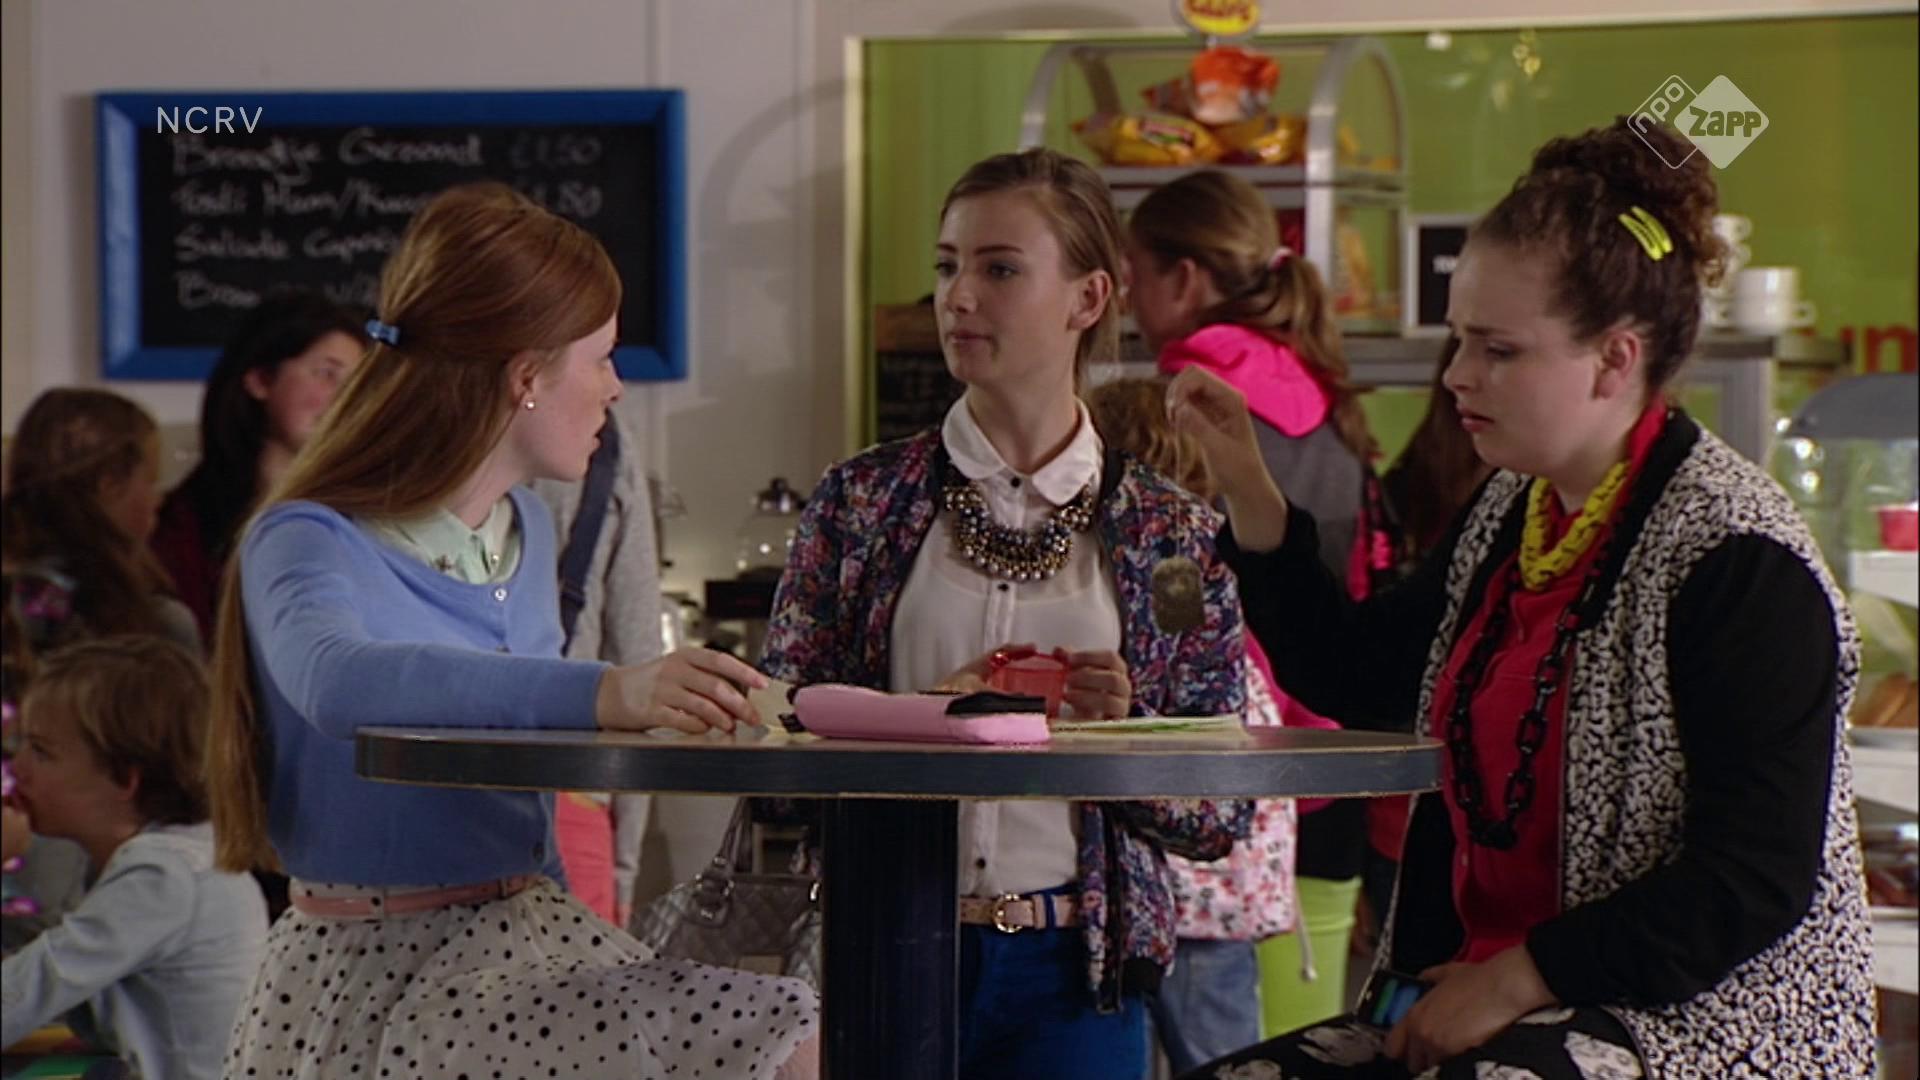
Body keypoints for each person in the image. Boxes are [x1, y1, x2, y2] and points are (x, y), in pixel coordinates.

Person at [1171, 117, 1876, 1078]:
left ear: (1615, 359)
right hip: (1490, 995)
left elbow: (1750, 879)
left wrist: (1521, 976)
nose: (1457, 375)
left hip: (1701, 1025)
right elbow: (1361, 675)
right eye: (1461, 339)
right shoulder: (1516, 507)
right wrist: (1247, 485)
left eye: (1499, 350)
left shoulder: (1736, 558)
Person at [207, 182, 818, 1079]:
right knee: (784, 1031)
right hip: (381, 966)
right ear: (526, 377)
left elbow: (516, 809)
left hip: (523, 941)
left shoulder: (527, 530)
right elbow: (338, 681)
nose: (616, 386)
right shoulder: (305, 536)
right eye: (602, 358)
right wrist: (608, 690)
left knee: (797, 1028)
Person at [761, 148, 1250, 1080]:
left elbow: (1218, 811)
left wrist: (1120, 738)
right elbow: (774, 755)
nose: (958, 297)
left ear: (1089, 297)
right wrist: (918, 720)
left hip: (1075, 975)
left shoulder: (1170, 532)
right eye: (948, 266)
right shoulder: (860, 502)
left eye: (999, 269)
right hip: (886, 949)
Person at [1124, 168, 1391, 1037]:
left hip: (1223, 765)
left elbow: (1171, 583)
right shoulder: (1320, 384)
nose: (1126, 298)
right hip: (1332, 752)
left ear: (1184, 278)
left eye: (1134, 273)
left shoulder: (1190, 399)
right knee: (1300, 1029)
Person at [1087, 376, 1300, 1072]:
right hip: (1217, 892)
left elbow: (1174, 679)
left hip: (1193, 893)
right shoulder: (1196, 549)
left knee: (1216, 1057)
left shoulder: (1175, 557)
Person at [2, 637, 268, 1080]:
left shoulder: (164, 875)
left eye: (41, 752)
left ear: (126, 779)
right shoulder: (180, 852)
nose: (17, 768)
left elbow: (38, 983)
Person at [151, 289, 368, 645]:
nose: (346, 399)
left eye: (357, 384)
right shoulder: (182, 525)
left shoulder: (366, 518)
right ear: (260, 380)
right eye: (326, 374)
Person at [529, 403, 662, 928]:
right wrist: (625, 868)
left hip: (430, 793)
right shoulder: (599, 433)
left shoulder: (414, 415)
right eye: (602, 362)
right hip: (570, 788)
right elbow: (638, 657)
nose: (614, 384)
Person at [2, 388, 198, 657]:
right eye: (151, 479)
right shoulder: (160, 625)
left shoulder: (16, 597)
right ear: (109, 485)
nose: (159, 498)